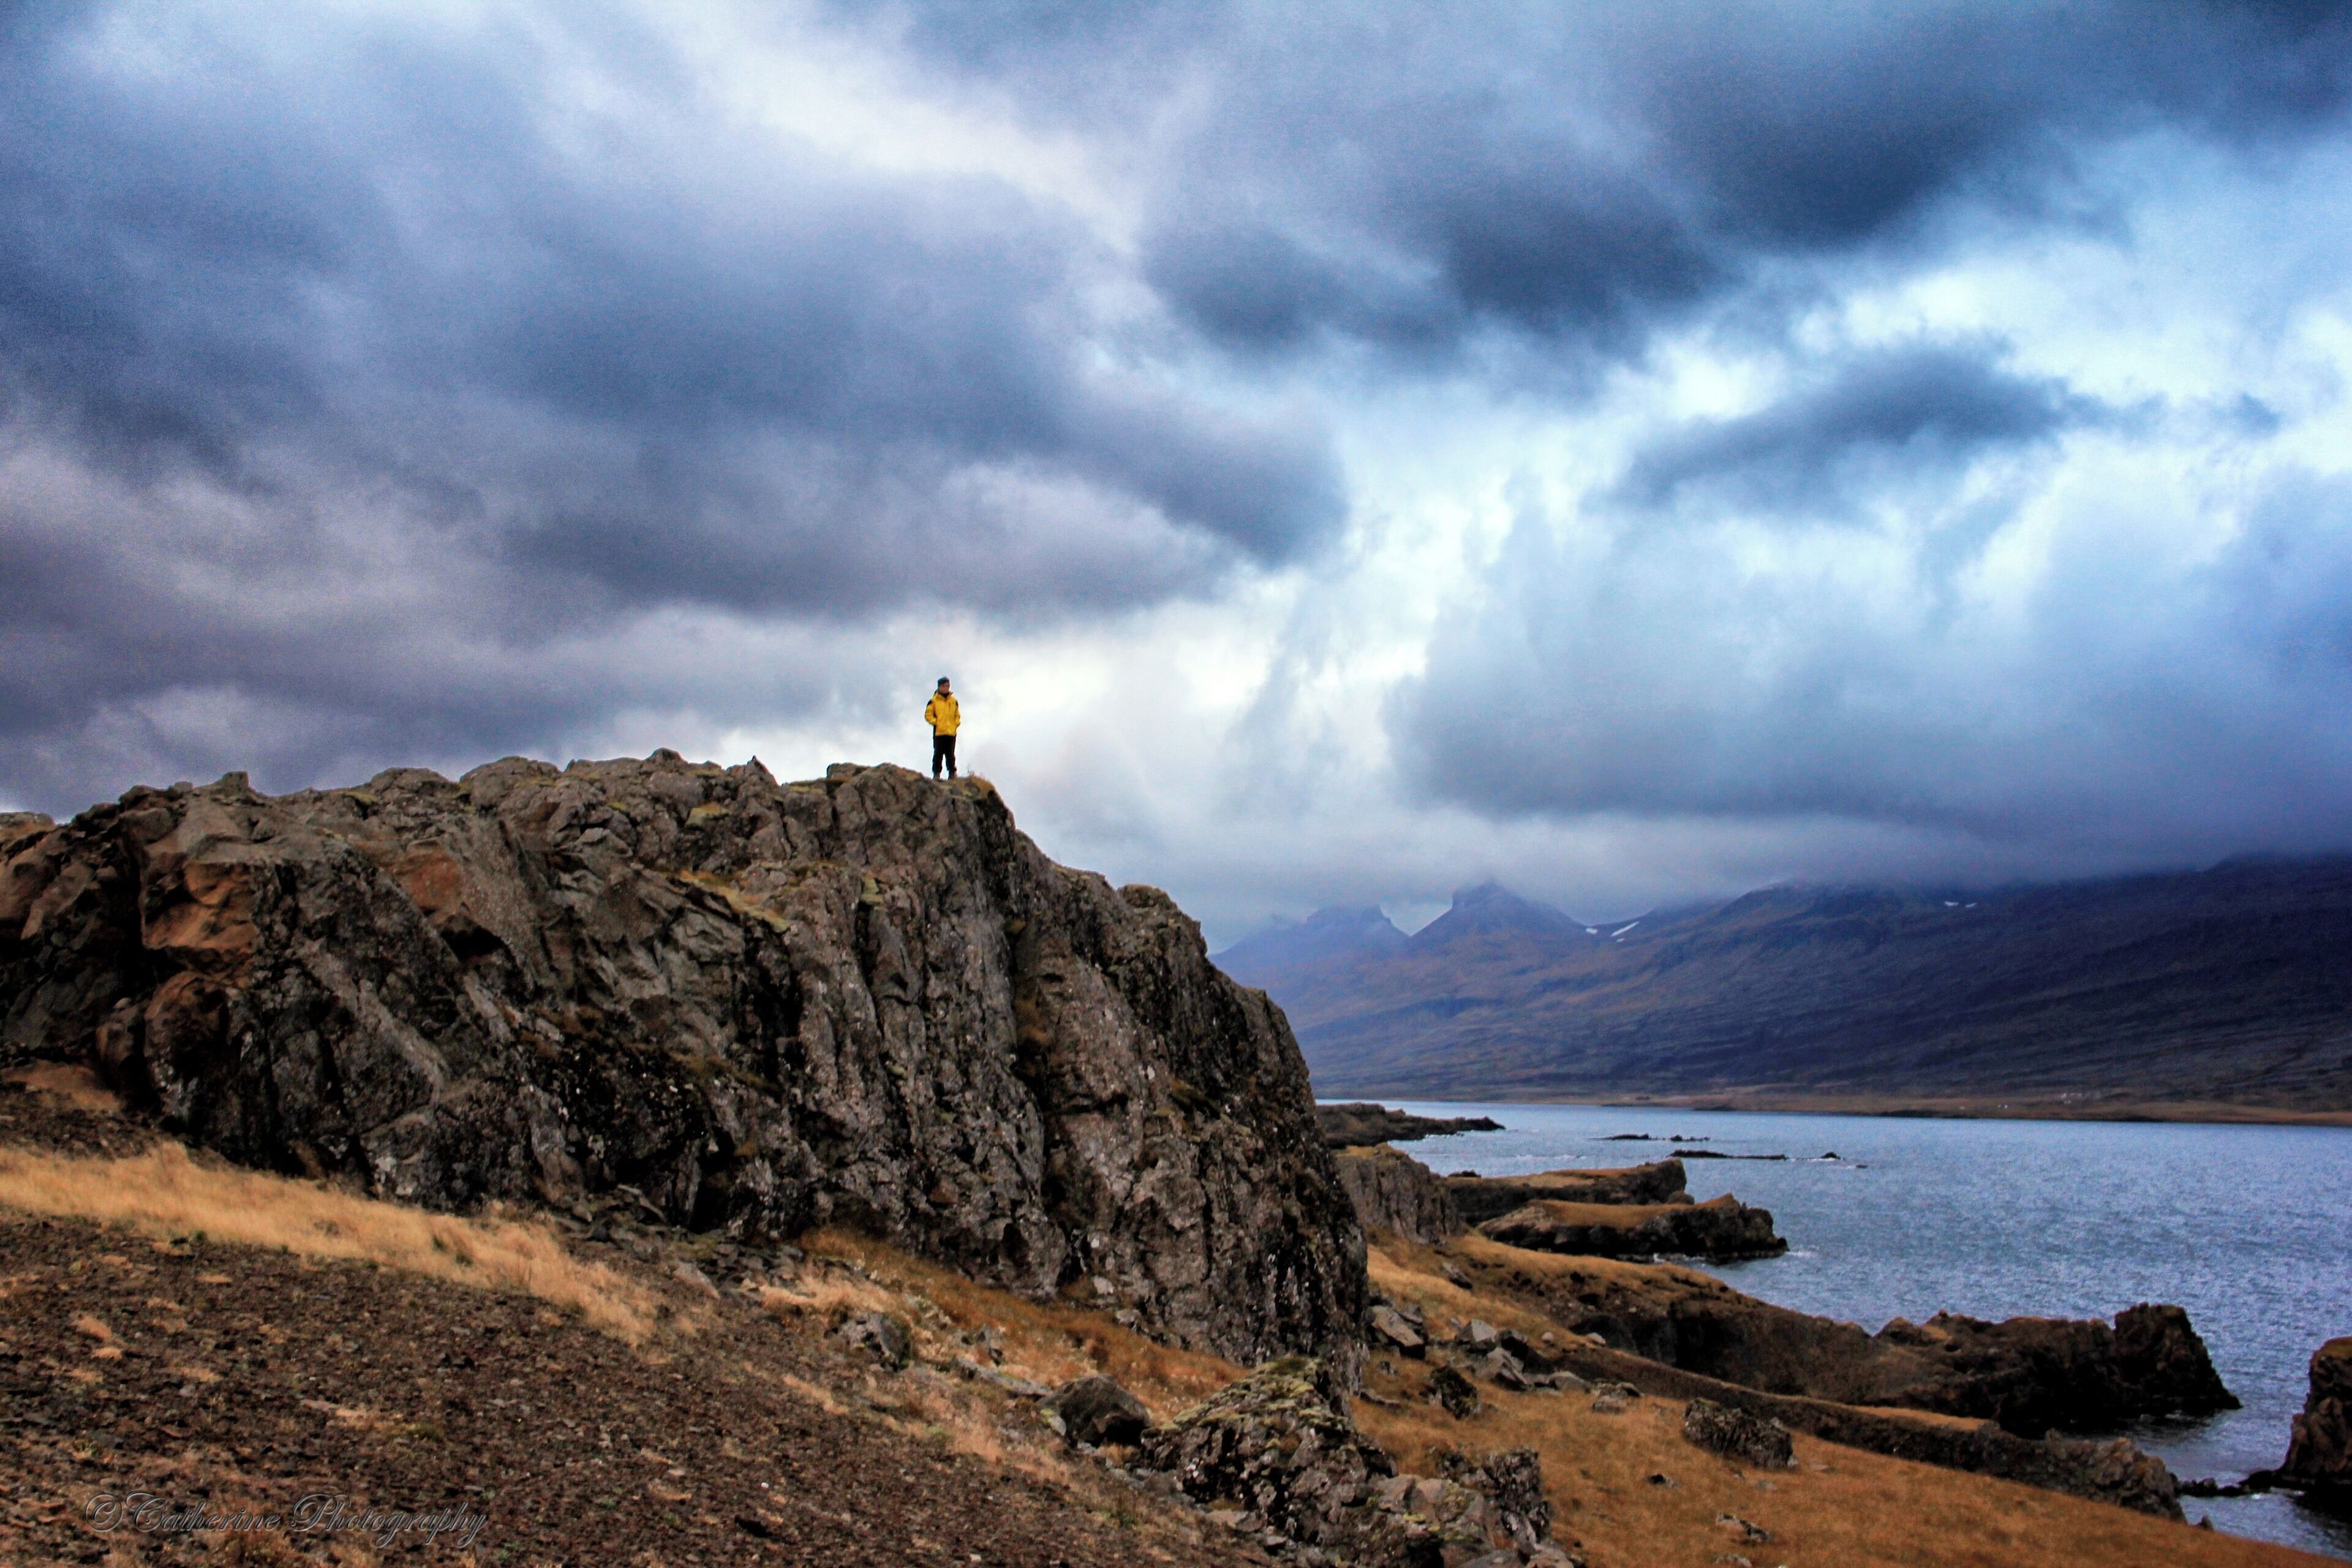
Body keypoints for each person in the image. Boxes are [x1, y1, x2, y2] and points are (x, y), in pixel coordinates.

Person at [924, 677, 960, 779]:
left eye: (948, 686)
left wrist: (956, 723)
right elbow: (928, 715)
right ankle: (937, 774)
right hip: (939, 732)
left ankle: (952, 773)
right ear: (939, 687)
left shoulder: (954, 701)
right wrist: (936, 723)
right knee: (938, 754)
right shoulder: (933, 701)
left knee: (950, 754)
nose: (946, 688)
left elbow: (957, 715)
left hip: (951, 732)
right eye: (944, 686)